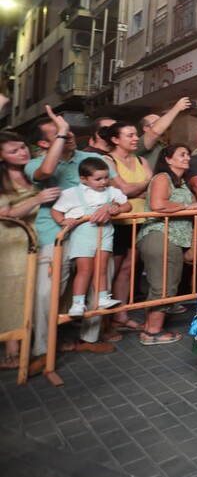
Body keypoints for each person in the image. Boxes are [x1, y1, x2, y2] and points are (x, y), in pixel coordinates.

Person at [27, 105, 121, 356]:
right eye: (57, 132)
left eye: (67, 130)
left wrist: (111, 206)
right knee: (47, 292)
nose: (66, 134)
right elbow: (46, 172)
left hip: (94, 233)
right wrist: (62, 130)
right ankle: (41, 350)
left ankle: (88, 338)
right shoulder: (36, 163)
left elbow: (113, 192)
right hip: (55, 236)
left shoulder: (92, 161)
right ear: (44, 143)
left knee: (100, 282)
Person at [135, 144, 197, 345]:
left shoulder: (181, 182)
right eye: (182, 155)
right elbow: (158, 204)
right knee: (163, 286)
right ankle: (152, 332)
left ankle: (151, 326)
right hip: (160, 235)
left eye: (188, 154)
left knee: (166, 284)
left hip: (173, 238)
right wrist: (187, 206)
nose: (187, 158)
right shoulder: (162, 177)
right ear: (168, 159)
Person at [0, 131, 60, 369]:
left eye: (23, 147)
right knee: (14, 293)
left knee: (39, 289)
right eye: (13, 151)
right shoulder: (3, 179)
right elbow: (4, 213)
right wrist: (37, 200)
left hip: (39, 235)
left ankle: (37, 341)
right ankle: (12, 348)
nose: (22, 152)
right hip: (12, 239)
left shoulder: (36, 170)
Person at [50, 158, 130, 317]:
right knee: (85, 270)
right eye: (98, 179)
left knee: (101, 268)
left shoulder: (112, 192)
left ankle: (102, 298)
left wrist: (117, 208)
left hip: (106, 233)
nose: (103, 182)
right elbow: (56, 210)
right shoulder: (72, 193)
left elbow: (127, 205)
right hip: (82, 235)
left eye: (106, 178)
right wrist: (63, 221)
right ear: (83, 179)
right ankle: (77, 303)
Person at [99, 122, 153, 334]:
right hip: (117, 223)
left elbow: (151, 188)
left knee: (129, 270)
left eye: (136, 134)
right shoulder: (107, 160)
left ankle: (120, 315)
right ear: (115, 139)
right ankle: (103, 319)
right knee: (109, 271)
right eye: (130, 135)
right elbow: (122, 188)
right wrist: (139, 187)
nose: (135, 138)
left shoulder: (142, 159)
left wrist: (133, 191)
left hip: (139, 220)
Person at [137, 97, 193, 168]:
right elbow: (155, 131)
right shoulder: (139, 143)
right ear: (146, 128)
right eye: (156, 122)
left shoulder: (162, 144)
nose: (163, 124)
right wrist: (177, 108)